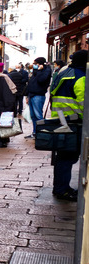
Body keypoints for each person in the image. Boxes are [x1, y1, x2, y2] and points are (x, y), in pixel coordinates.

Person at [49, 50, 86, 201]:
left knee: (62, 156)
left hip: (59, 119)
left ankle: (60, 187)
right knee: (67, 157)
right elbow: (84, 102)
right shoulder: (80, 77)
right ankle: (62, 189)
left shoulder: (63, 73)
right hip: (73, 121)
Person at [25, 57, 52, 138]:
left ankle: (42, 133)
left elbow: (41, 80)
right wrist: (27, 95)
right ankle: (35, 132)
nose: (34, 65)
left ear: (40, 64)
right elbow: (31, 82)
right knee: (33, 116)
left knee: (38, 116)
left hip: (38, 95)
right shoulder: (36, 71)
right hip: (32, 94)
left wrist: (39, 70)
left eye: (35, 64)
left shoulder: (46, 71)